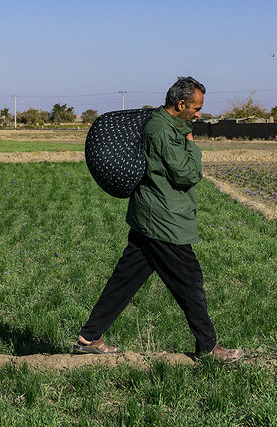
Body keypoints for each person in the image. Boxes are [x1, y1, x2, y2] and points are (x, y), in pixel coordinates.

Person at [74, 76, 243, 363]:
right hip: (163, 221)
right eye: (197, 108)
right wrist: (191, 143)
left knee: (124, 281)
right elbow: (187, 174)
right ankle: (209, 347)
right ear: (181, 104)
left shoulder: (166, 123)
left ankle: (89, 337)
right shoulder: (163, 131)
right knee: (189, 281)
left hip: (148, 217)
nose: (199, 114)